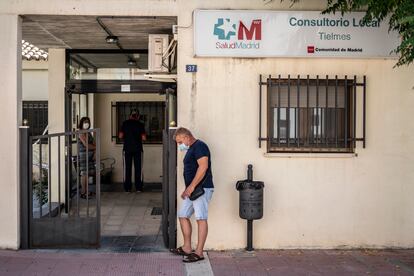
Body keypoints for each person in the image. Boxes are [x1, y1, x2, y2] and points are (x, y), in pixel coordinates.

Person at [170, 127, 214, 263]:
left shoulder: (200, 146)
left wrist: (192, 186)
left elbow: (203, 167)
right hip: (193, 190)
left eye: (179, 142)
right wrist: (187, 189)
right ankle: (187, 248)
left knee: (201, 218)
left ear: (186, 137)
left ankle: (199, 253)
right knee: (183, 215)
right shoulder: (192, 148)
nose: (179, 145)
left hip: (201, 188)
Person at [119, 109, 146, 193]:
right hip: (138, 149)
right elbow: (144, 138)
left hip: (127, 149)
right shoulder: (141, 124)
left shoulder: (125, 123)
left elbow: (120, 136)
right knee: (138, 169)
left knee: (127, 168)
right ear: (137, 116)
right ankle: (138, 188)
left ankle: (128, 188)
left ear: (130, 115)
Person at [78, 117, 96, 199]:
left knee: (88, 173)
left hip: (90, 155)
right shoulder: (80, 132)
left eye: (88, 122)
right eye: (85, 122)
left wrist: (94, 149)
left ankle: (87, 191)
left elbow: (94, 143)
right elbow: (86, 145)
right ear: (81, 123)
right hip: (84, 156)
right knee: (84, 173)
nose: (86, 123)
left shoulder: (88, 132)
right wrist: (95, 147)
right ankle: (83, 192)